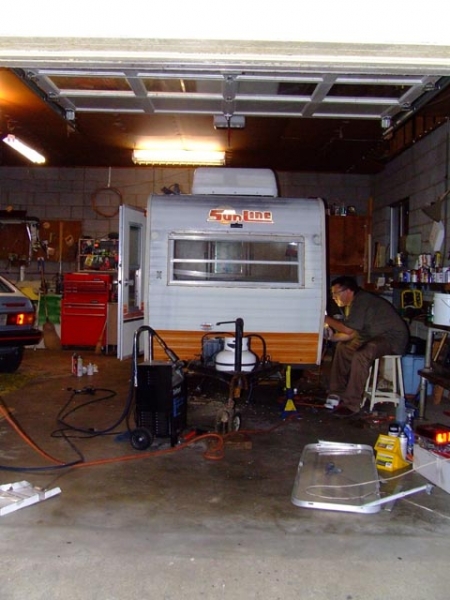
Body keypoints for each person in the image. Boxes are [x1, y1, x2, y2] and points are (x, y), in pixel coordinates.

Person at [324, 275, 410, 416]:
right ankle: (336, 392)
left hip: (392, 338)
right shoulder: (353, 304)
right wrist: (333, 337)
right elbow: (351, 334)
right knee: (343, 348)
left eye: (336, 293)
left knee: (362, 354)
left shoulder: (361, 301)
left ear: (348, 291)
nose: (334, 297)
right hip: (373, 336)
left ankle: (351, 404)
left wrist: (325, 318)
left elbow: (347, 330)